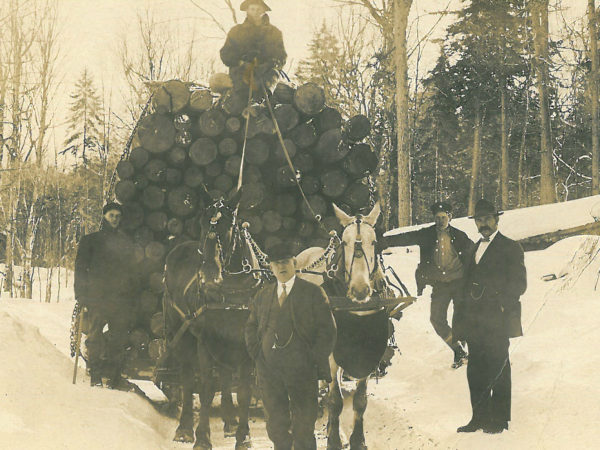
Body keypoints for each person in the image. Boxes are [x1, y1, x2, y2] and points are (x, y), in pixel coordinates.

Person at [245, 242, 336, 450]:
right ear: (271, 268)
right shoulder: (263, 295)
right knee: (276, 427)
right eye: (276, 264)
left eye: (285, 262)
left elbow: (328, 331)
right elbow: (250, 327)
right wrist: (258, 355)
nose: (281, 267)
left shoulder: (313, 293)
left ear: (294, 263)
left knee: (303, 428)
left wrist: (313, 360)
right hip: (270, 371)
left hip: (302, 372)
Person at [456, 199, 527, 434]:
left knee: (498, 365)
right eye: (479, 219)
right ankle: (478, 417)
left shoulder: (510, 247)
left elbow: (519, 284)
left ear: (496, 220)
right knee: (475, 367)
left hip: (497, 317)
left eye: (487, 218)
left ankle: (498, 420)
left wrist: (500, 304)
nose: (483, 223)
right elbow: (464, 287)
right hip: (474, 320)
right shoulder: (472, 249)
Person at [378, 201, 474, 368]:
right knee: (436, 319)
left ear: (450, 217)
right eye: (437, 218)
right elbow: (405, 238)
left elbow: (475, 253)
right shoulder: (427, 234)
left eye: (444, 217)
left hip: (460, 283)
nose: (440, 221)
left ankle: (459, 354)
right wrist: (381, 242)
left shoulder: (460, 236)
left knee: (461, 319)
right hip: (440, 285)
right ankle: (458, 349)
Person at [74, 202, 139, 388]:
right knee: (94, 337)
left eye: (118, 216)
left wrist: (131, 295)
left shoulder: (126, 243)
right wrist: (81, 294)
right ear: (104, 216)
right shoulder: (91, 240)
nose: (115, 219)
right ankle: (95, 376)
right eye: (111, 215)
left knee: (118, 339)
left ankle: (114, 378)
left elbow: (132, 272)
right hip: (98, 298)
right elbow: (80, 269)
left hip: (120, 299)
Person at [220, 0, 286, 98]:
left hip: (267, 73)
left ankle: (262, 102)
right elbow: (226, 53)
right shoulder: (236, 31)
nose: (255, 12)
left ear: (264, 11)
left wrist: (268, 64)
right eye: (252, 9)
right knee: (240, 96)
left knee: (266, 93)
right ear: (247, 10)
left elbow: (281, 57)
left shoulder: (274, 33)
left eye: (259, 9)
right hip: (241, 72)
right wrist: (240, 62)